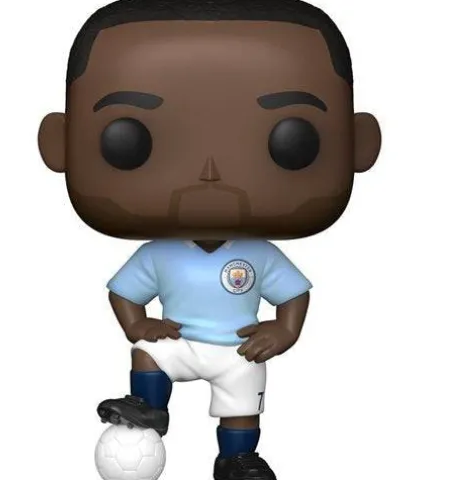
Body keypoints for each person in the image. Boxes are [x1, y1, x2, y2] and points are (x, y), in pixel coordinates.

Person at [38, 1, 381, 478]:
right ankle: (147, 406)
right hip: (177, 339)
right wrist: (138, 325)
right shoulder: (159, 254)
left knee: (243, 404)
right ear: (60, 143)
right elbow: (122, 293)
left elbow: (294, 294)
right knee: (148, 354)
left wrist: (284, 331)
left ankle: (237, 458)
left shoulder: (259, 255)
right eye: (128, 140)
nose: (209, 173)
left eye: (292, 141)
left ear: (359, 144)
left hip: (238, 349)